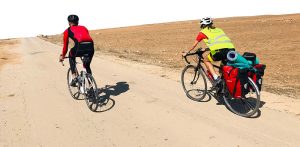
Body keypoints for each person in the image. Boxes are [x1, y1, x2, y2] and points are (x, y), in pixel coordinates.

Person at [182, 17, 235, 86]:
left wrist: (186, 52)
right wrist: (207, 49)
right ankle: (225, 86)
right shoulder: (219, 29)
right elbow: (220, 42)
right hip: (231, 50)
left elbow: (193, 45)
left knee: (206, 60)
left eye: (201, 26)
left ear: (203, 25)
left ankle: (216, 78)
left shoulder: (203, 32)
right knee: (223, 68)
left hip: (219, 52)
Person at [59, 14, 94, 87]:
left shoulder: (67, 31)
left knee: (71, 54)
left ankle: (74, 75)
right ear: (78, 21)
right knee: (86, 65)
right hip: (90, 46)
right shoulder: (84, 27)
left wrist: (62, 56)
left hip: (79, 47)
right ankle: (91, 86)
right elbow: (86, 37)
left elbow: (65, 46)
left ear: (69, 22)